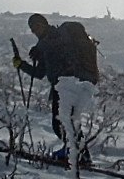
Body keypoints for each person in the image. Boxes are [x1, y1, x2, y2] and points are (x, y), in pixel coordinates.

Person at [13, 13, 91, 163]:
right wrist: (21, 65)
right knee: (63, 122)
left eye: (36, 26)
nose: (34, 30)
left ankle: (76, 153)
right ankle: (80, 153)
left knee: (61, 122)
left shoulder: (57, 35)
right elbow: (40, 73)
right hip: (59, 86)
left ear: (44, 24)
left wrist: (40, 47)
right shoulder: (44, 46)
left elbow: (58, 42)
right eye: (32, 28)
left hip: (71, 82)